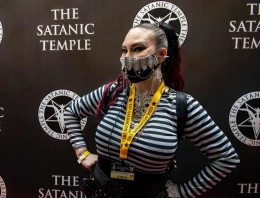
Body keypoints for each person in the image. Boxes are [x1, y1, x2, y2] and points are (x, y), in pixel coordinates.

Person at [64, 22, 240, 198]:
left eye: (138, 49)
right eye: (124, 50)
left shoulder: (182, 106)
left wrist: (182, 193)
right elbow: (71, 111)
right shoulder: (113, 92)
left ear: (161, 55)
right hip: (100, 191)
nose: (128, 57)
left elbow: (226, 158)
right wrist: (82, 153)